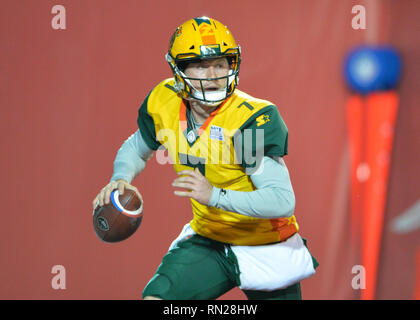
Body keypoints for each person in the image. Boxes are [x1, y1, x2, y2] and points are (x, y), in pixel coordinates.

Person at [92, 16, 318, 300]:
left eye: (220, 64)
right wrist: (120, 178)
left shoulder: (244, 120)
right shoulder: (165, 102)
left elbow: (281, 200)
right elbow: (137, 146)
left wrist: (215, 196)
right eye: (201, 65)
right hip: (210, 239)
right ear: (179, 70)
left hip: (266, 244)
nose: (213, 75)